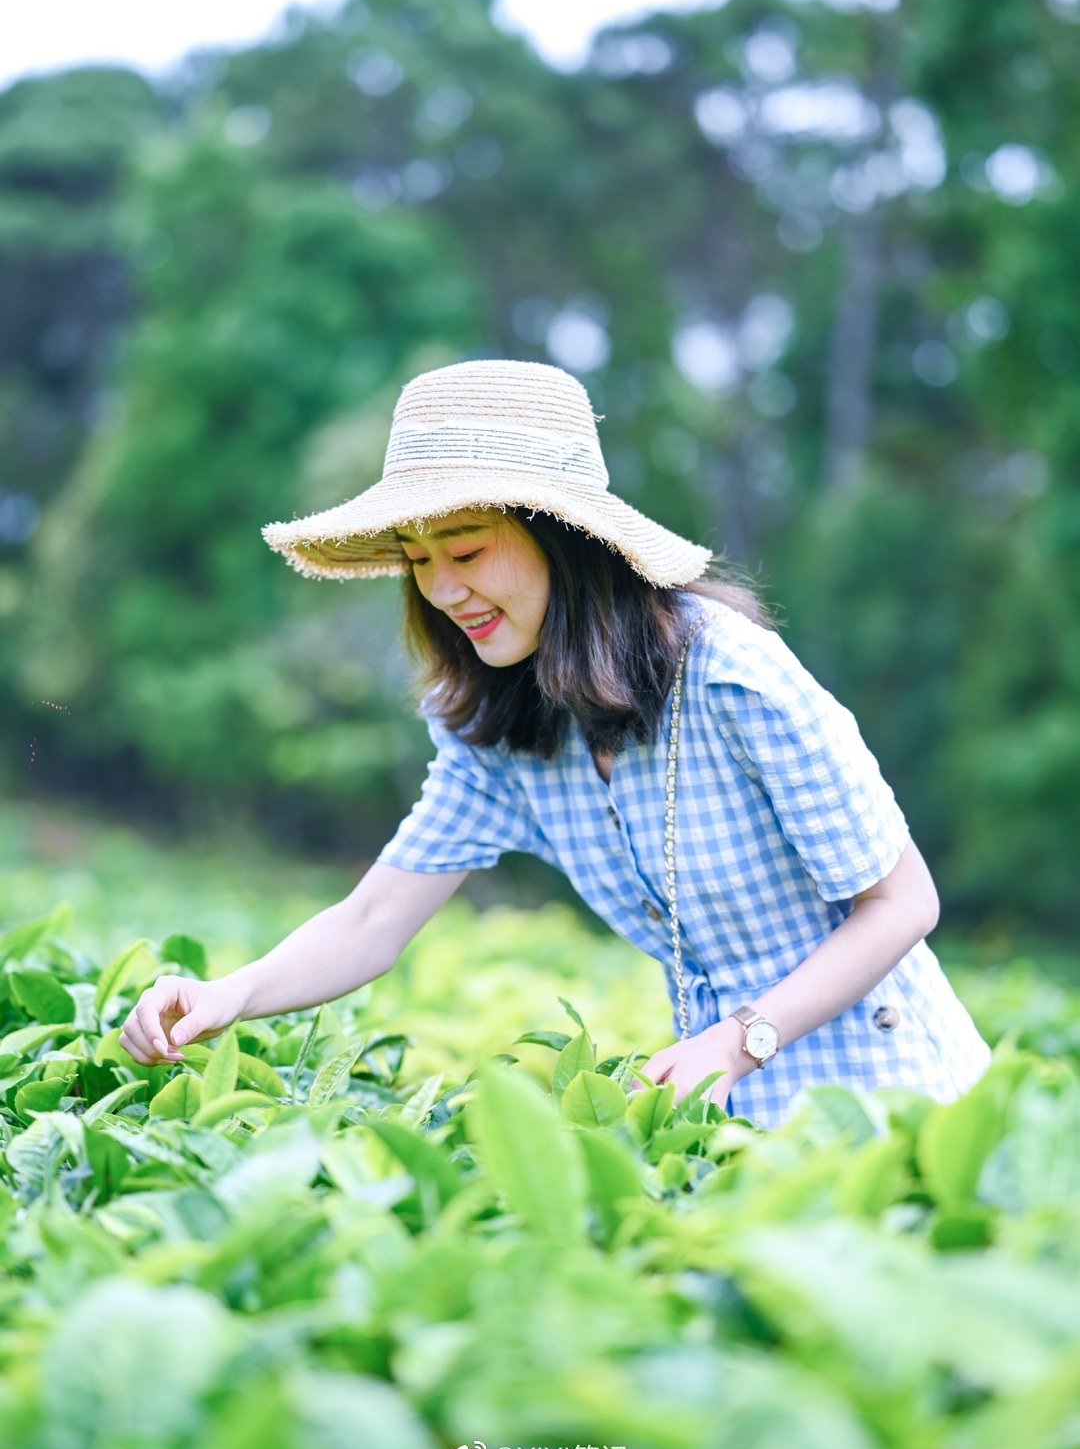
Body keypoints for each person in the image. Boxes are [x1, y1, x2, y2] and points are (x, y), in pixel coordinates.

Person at [120, 359, 992, 1128]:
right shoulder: (502, 727)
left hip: (890, 1097)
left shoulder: (732, 675)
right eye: (420, 561)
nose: (444, 589)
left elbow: (903, 903)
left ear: (565, 540)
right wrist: (228, 994)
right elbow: (373, 919)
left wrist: (742, 1040)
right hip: (723, 1117)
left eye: (465, 549)